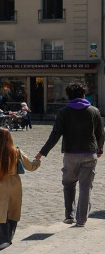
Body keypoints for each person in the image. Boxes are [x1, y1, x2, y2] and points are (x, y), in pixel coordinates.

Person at [36, 82, 105, 227]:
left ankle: (69, 215)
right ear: (84, 94)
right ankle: (81, 220)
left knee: (68, 184)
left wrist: (42, 152)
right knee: (85, 187)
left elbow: (55, 134)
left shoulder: (63, 112)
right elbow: (100, 133)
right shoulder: (94, 111)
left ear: (68, 96)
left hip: (70, 154)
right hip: (89, 153)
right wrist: (100, 150)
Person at [0, 128, 41, 250]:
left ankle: (3, 240)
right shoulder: (16, 152)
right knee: (13, 211)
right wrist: (37, 161)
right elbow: (30, 166)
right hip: (14, 184)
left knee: (0, 212)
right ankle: (9, 237)